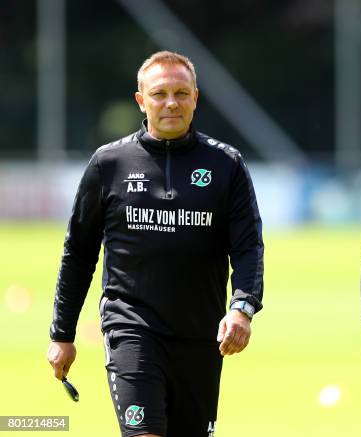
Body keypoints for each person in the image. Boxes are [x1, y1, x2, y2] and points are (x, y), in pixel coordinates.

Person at [47, 51, 264, 437]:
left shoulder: (225, 164)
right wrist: (62, 335)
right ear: (140, 100)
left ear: (195, 98)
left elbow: (248, 247)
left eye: (181, 93)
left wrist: (242, 309)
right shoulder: (109, 164)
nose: (171, 103)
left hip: (201, 337)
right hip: (131, 328)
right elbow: (79, 253)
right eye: (160, 93)